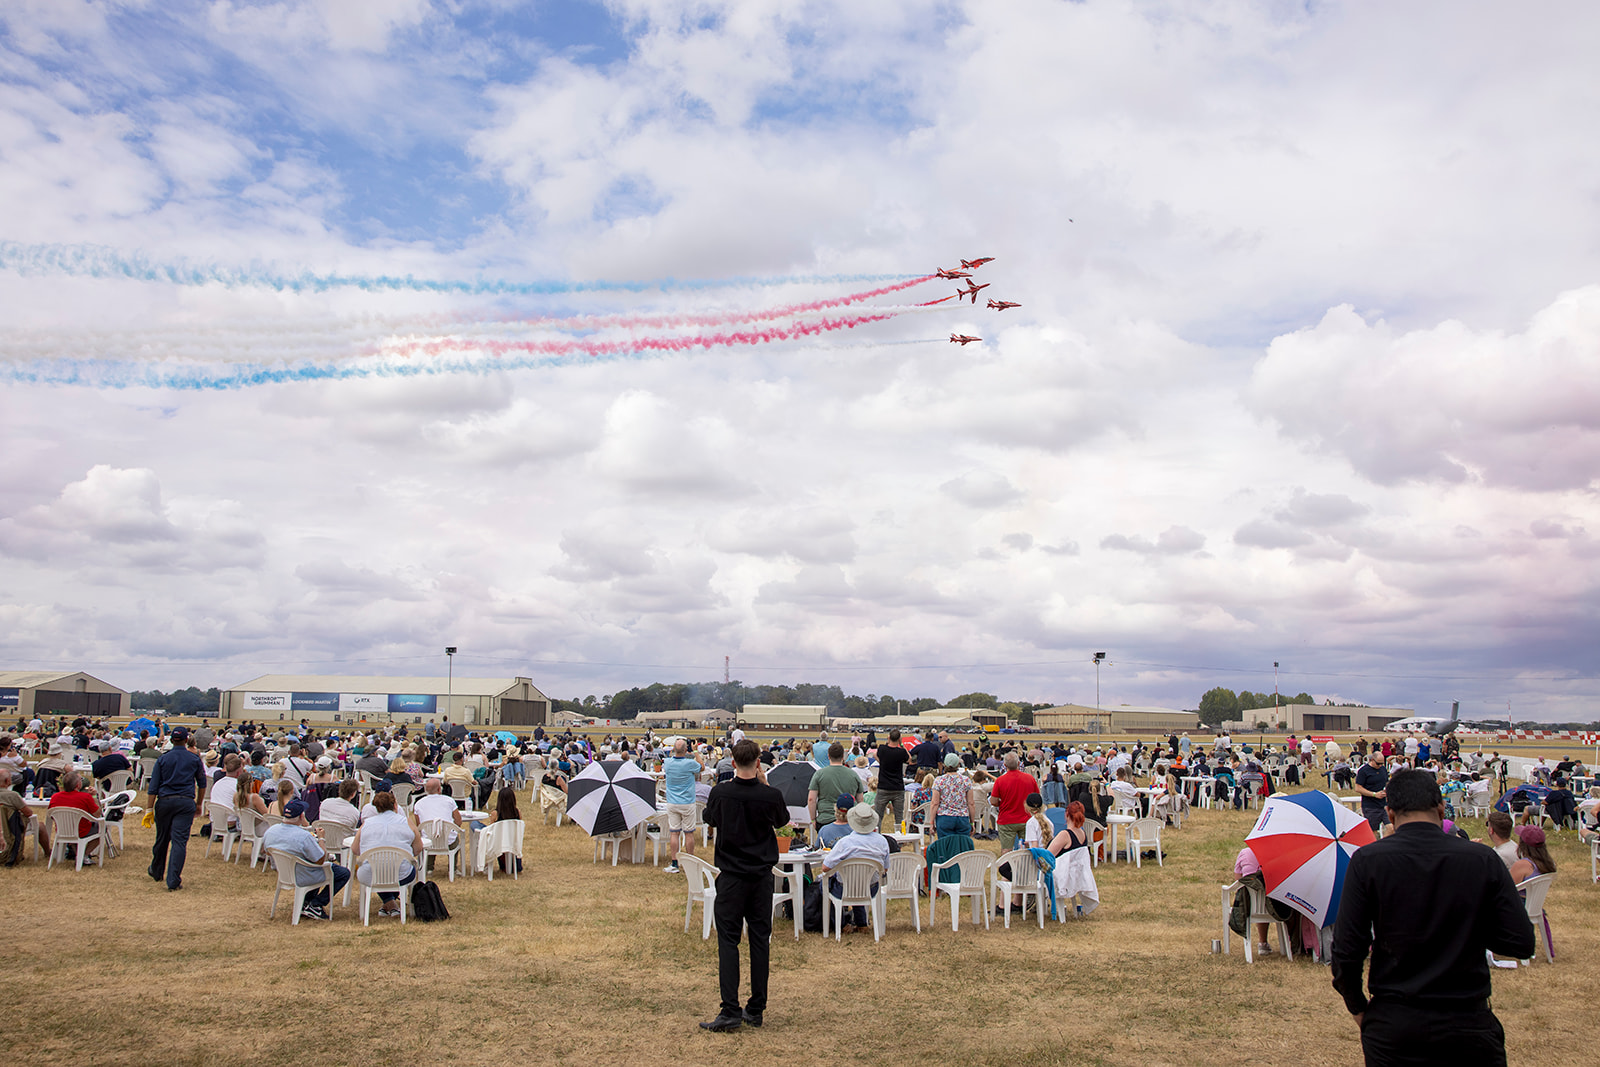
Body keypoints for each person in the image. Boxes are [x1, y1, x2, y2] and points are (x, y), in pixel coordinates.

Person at [1332, 769, 1535, 1066]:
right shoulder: (1482, 859)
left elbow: (1347, 949)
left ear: (1389, 813)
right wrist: (1468, 924)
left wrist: (1358, 1007)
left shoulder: (1368, 861)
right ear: (1441, 808)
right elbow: (1520, 942)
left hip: (1395, 1022)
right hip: (1467, 1020)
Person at [700, 739, 788, 1033]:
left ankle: (730, 1009)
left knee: (729, 941)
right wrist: (763, 784)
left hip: (732, 877)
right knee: (760, 941)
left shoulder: (721, 792)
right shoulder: (770, 795)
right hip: (761, 877)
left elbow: (709, 818)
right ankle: (756, 1007)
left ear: (733, 763)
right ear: (758, 762)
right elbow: (782, 820)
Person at [260, 797, 349, 920]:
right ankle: (316, 904)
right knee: (343, 873)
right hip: (304, 875)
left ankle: (306, 903)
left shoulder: (271, 831)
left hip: (285, 873)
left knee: (310, 862)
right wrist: (321, 839)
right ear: (302, 816)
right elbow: (321, 859)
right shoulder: (303, 836)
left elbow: (266, 851)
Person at [147, 727, 207, 891]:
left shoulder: (163, 759)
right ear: (186, 740)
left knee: (162, 838)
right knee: (179, 841)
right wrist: (199, 803)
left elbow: (153, 787)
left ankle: (157, 870)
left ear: (172, 740)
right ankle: (173, 880)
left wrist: (148, 809)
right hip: (185, 802)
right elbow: (202, 783)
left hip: (165, 801)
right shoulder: (194, 759)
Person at [818, 802, 890, 931]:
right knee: (860, 880)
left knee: (825, 884)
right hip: (871, 888)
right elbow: (884, 869)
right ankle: (861, 922)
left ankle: (840, 923)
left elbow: (825, 867)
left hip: (844, 889)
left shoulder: (845, 843)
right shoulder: (882, 841)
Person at [352, 789, 423, 917]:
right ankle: (391, 904)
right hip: (401, 874)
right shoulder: (406, 822)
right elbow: (418, 848)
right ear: (395, 805)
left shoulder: (366, 824)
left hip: (370, 874)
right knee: (396, 868)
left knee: (379, 869)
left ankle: (388, 905)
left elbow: (355, 850)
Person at [661, 738, 703, 875]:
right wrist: (695, 751)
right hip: (687, 802)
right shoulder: (690, 763)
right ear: (686, 750)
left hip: (673, 802)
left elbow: (667, 761)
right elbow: (701, 767)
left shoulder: (667, 763)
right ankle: (690, 861)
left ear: (673, 749)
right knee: (689, 832)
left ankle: (674, 862)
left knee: (674, 832)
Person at [47, 770, 102, 862]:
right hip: (81, 831)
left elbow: (52, 816)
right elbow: (97, 814)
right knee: (102, 828)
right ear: (78, 785)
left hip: (62, 829)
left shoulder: (55, 797)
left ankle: (78, 854)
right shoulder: (85, 797)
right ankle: (84, 855)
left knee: (75, 828)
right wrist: (94, 797)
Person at [806, 743, 860, 836]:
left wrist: (813, 819)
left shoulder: (819, 774)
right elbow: (860, 799)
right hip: (849, 819)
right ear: (843, 756)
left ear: (828, 756)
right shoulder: (853, 774)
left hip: (825, 819)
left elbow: (811, 799)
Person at [990, 752, 1034, 851]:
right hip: (1026, 819)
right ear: (1019, 763)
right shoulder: (1030, 779)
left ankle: (1006, 865)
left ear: (1004, 765)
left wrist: (1001, 803)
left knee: (1006, 850)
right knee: (1027, 849)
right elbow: (1036, 797)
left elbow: (993, 801)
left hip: (1007, 820)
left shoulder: (1000, 780)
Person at [872, 728, 910, 830]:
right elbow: (910, 760)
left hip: (884, 787)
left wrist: (882, 763)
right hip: (898, 787)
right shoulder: (901, 752)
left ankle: (876, 834)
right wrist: (902, 744)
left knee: (878, 816)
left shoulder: (883, 749)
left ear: (889, 738)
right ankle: (900, 836)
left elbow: (875, 754)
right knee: (899, 816)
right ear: (899, 739)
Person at [929, 754, 974, 837]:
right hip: (962, 817)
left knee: (945, 846)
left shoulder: (939, 780)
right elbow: (970, 803)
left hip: (944, 817)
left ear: (944, 764)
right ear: (958, 765)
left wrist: (931, 822)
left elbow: (935, 803)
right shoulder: (966, 780)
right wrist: (972, 821)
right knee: (962, 846)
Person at [1354, 751, 1389, 832]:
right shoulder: (1364, 771)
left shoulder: (1383, 769)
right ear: (1372, 760)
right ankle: (1375, 844)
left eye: (1382, 763)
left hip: (1384, 804)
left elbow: (1386, 783)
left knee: (1391, 828)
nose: (1380, 765)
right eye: (1378, 763)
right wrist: (1374, 794)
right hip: (1370, 806)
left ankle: (1384, 844)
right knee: (1373, 831)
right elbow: (1358, 788)